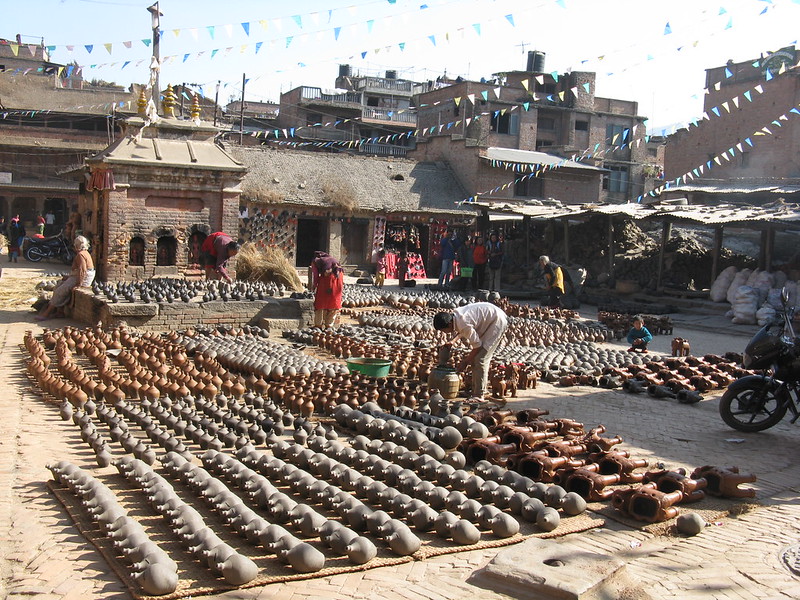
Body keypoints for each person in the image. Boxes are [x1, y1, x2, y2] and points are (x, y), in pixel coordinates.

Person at [433, 302, 509, 402]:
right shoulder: (456, 316)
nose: (444, 333)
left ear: (449, 324)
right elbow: (463, 329)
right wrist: (452, 342)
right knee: (475, 358)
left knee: (480, 359)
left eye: (444, 330)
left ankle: (479, 394)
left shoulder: (463, 323)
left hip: (497, 321)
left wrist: (465, 362)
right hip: (490, 318)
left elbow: (477, 346)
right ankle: (476, 390)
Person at [34, 236, 95, 321]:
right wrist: (69, 277)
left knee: (60, 291)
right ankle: (60, 312)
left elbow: (82, 270)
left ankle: (47, 313)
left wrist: (78, 284)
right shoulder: (84, 253)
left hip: (84, 277)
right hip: (79, 275)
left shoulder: (81, 254)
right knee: (58, 285)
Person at [310, 251, 344, 328]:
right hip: (339, 278)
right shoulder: (331, 259)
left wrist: (314, 285)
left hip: (327, 278)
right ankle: (329, 325)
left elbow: (315, 275)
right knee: (334, 300)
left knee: (320, 302)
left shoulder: (315, 261)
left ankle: (318, 324)